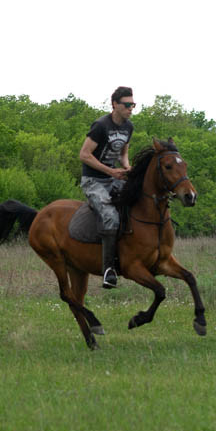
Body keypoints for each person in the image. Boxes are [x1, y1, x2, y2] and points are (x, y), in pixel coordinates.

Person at [79, 86, 136, 289]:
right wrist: (110, 171)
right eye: (127, 105)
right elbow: (84, 155)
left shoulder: (128, 127)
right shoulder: (101, 126)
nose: (131, 108)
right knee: (110, 216)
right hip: (93, 181)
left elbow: (123, 155)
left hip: (112, 178)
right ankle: (108, 269)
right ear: (115, 105)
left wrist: (128, 169)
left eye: (133, 104)